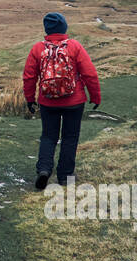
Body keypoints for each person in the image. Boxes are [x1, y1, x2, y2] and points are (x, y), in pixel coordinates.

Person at [22, 11, 101, 190]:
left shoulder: (38, 48)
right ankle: (65, 176)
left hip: (47, 101)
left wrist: (29, 99)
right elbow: (90, 74)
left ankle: (43, 169)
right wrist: (95, 96)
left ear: (47, 29)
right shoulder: (74, 46)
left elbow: (29, 76)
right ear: (64, 27)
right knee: (70, 137)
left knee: (48, 136)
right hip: (74, 101)